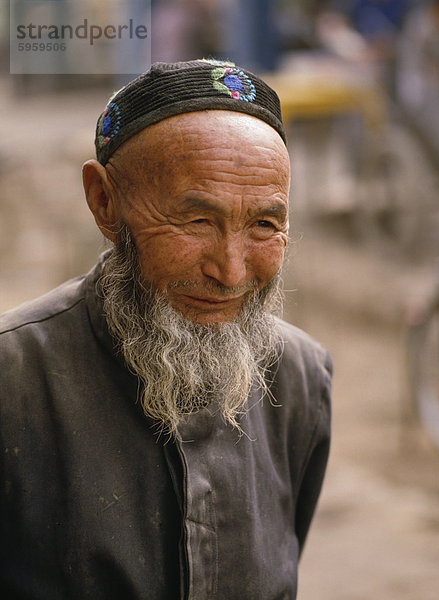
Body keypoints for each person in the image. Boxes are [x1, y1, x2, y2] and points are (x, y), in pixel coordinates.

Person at [0, 59, 332, 599]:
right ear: (104, 202)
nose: (230, 271)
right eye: (196, 221)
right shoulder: (13, 381)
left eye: (263, 226)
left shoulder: (299, 377)